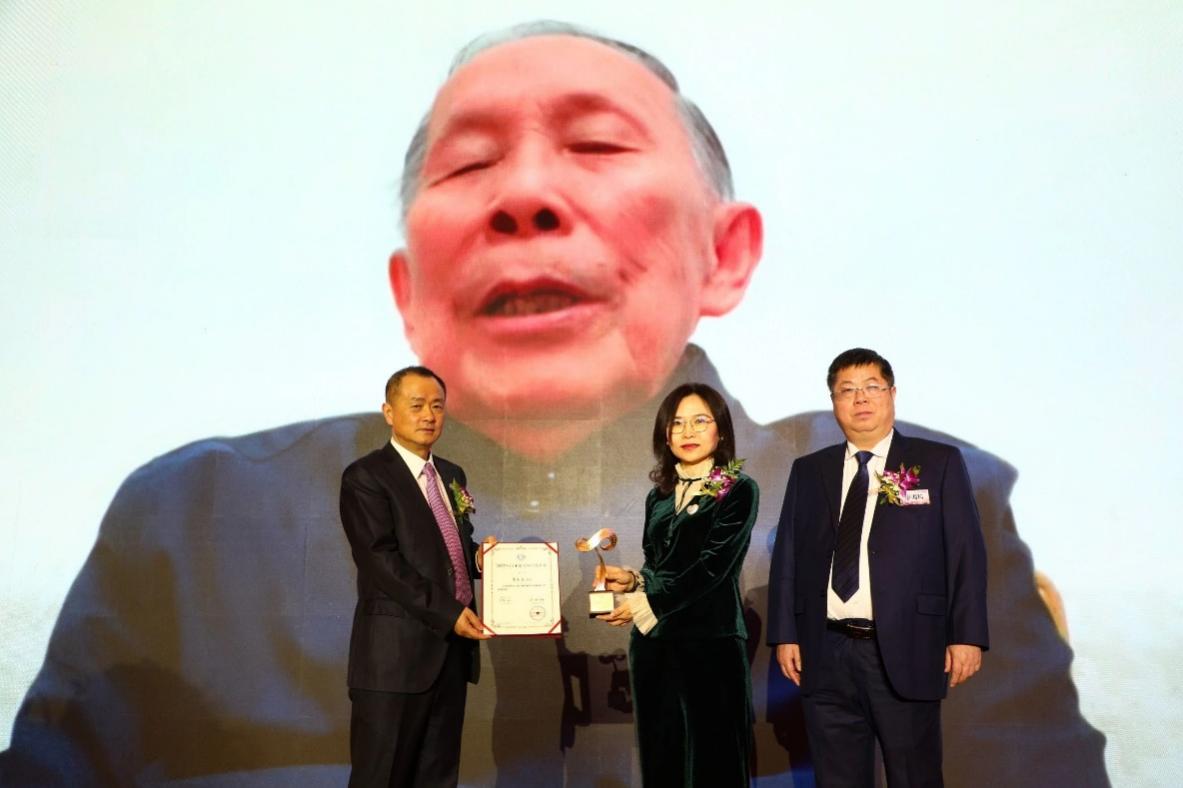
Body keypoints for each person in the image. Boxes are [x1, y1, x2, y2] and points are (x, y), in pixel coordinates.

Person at [1, 21, 1109, 787]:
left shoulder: (920, 496)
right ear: (409, 293)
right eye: (467, 167)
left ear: (724, 255)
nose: (525, 194)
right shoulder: (195, 528)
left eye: (597, 146)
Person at [768, 348, 989, 786]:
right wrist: (785, 634)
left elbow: (966, 552)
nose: (861, 399)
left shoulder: (937, 463)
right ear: (833, 401)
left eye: (872, 387)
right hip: (825, 650)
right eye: (847, 390)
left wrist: (966, 634)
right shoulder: (809, 471)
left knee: (914, 776)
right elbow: (788, 555)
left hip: (906, 646)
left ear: (892, 394)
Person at [597, 383, 758, 786]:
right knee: (661, 759)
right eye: (677, 423)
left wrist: (645, 603)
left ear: (720, 431)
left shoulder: (738, 489)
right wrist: (633, 580)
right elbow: (658, 565)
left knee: (715, 762)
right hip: (655, 644)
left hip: (711, 643)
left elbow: (713, 568)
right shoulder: (659, 497)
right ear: (665, 436)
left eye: (700, 421)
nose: (688, 432)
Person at [338, 366, 492, 787]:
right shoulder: (366, 476)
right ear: (389, 412)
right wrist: (450, 613)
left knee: (437, 777)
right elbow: (381, 560)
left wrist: (485, 562)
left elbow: (450, 551)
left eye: (437, 406)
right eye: (417, 405)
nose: (429, 415)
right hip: (393, 661)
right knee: (382, 778)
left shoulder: (452, 474)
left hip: (450, 658)